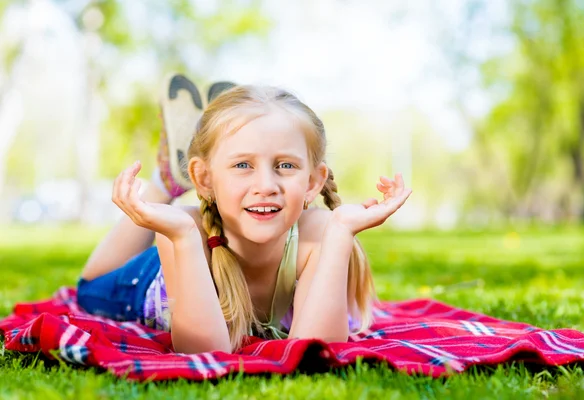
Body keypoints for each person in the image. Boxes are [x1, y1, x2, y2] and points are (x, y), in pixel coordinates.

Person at [76, 74, 413, 354]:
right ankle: (164, 181)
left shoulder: (318, 234)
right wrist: (181, 235)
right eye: (242, 165)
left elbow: (314, 350)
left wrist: (342, 232)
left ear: (312, 182)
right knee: (88, 288)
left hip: (202, 234)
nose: (266, 185)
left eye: (285, 165)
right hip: (173, 262)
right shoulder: (183, 230)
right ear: (204, 180)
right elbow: (204, 352)